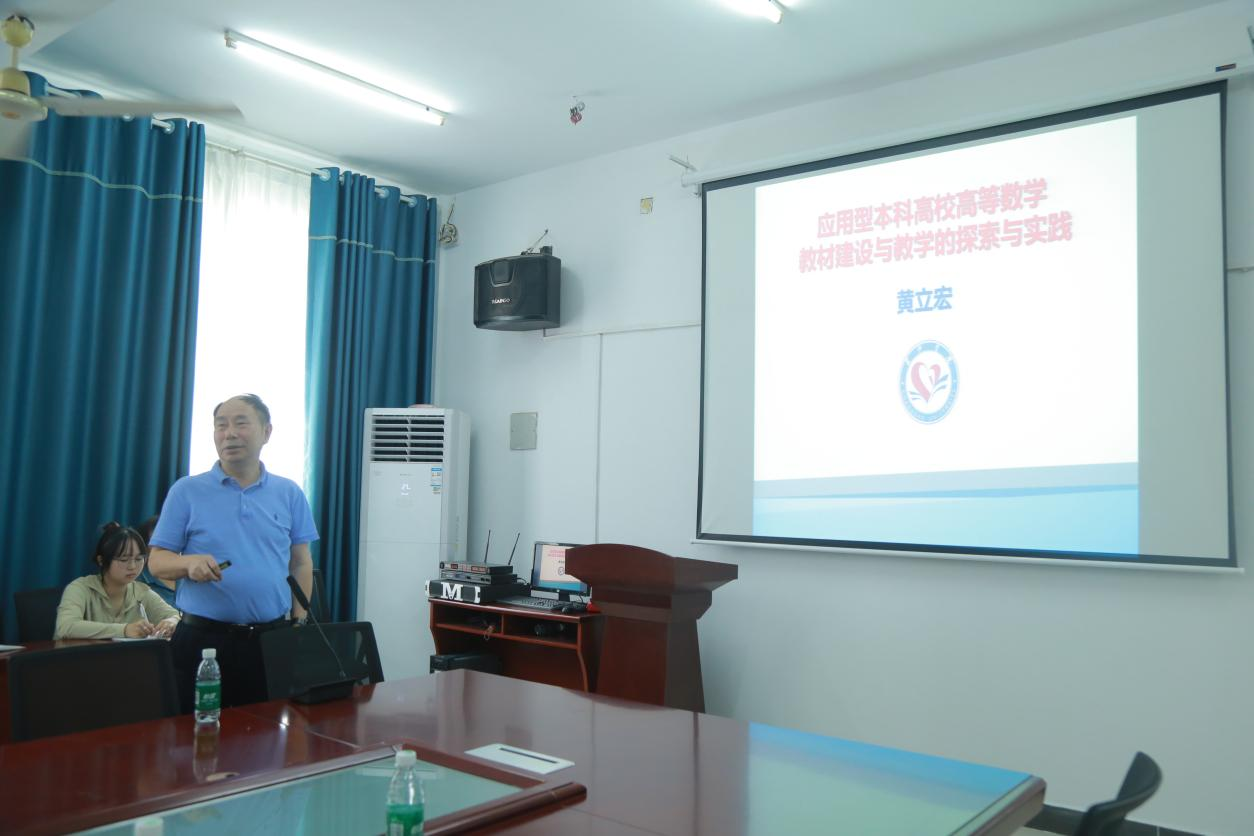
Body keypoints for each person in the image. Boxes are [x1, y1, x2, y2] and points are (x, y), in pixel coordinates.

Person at [148, 393, 318, 712]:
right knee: (196, 730)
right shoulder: (187, 491)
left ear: (267, 432)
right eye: (221, 425)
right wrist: (187, 563)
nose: (229, 433)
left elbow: (301, 562)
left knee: (269, 731)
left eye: (241, 423)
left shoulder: (289, 493)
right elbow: (156, 562)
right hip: (203, 641)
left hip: (271, 640)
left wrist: (299, 622)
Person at [54, 522, 181, 640]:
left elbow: (175, 616)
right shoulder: (80, 588)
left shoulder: (142, 592)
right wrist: (124, 630)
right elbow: (65, 627)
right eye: (124, 560)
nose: (132, 566)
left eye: (139, 559)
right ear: (101, 560)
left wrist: (171, 622)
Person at [135, 514, 178, 607]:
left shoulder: (191, 576)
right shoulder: (137, 580)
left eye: (171, 541)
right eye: (158, 543)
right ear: (145, 547)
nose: (167, 547)